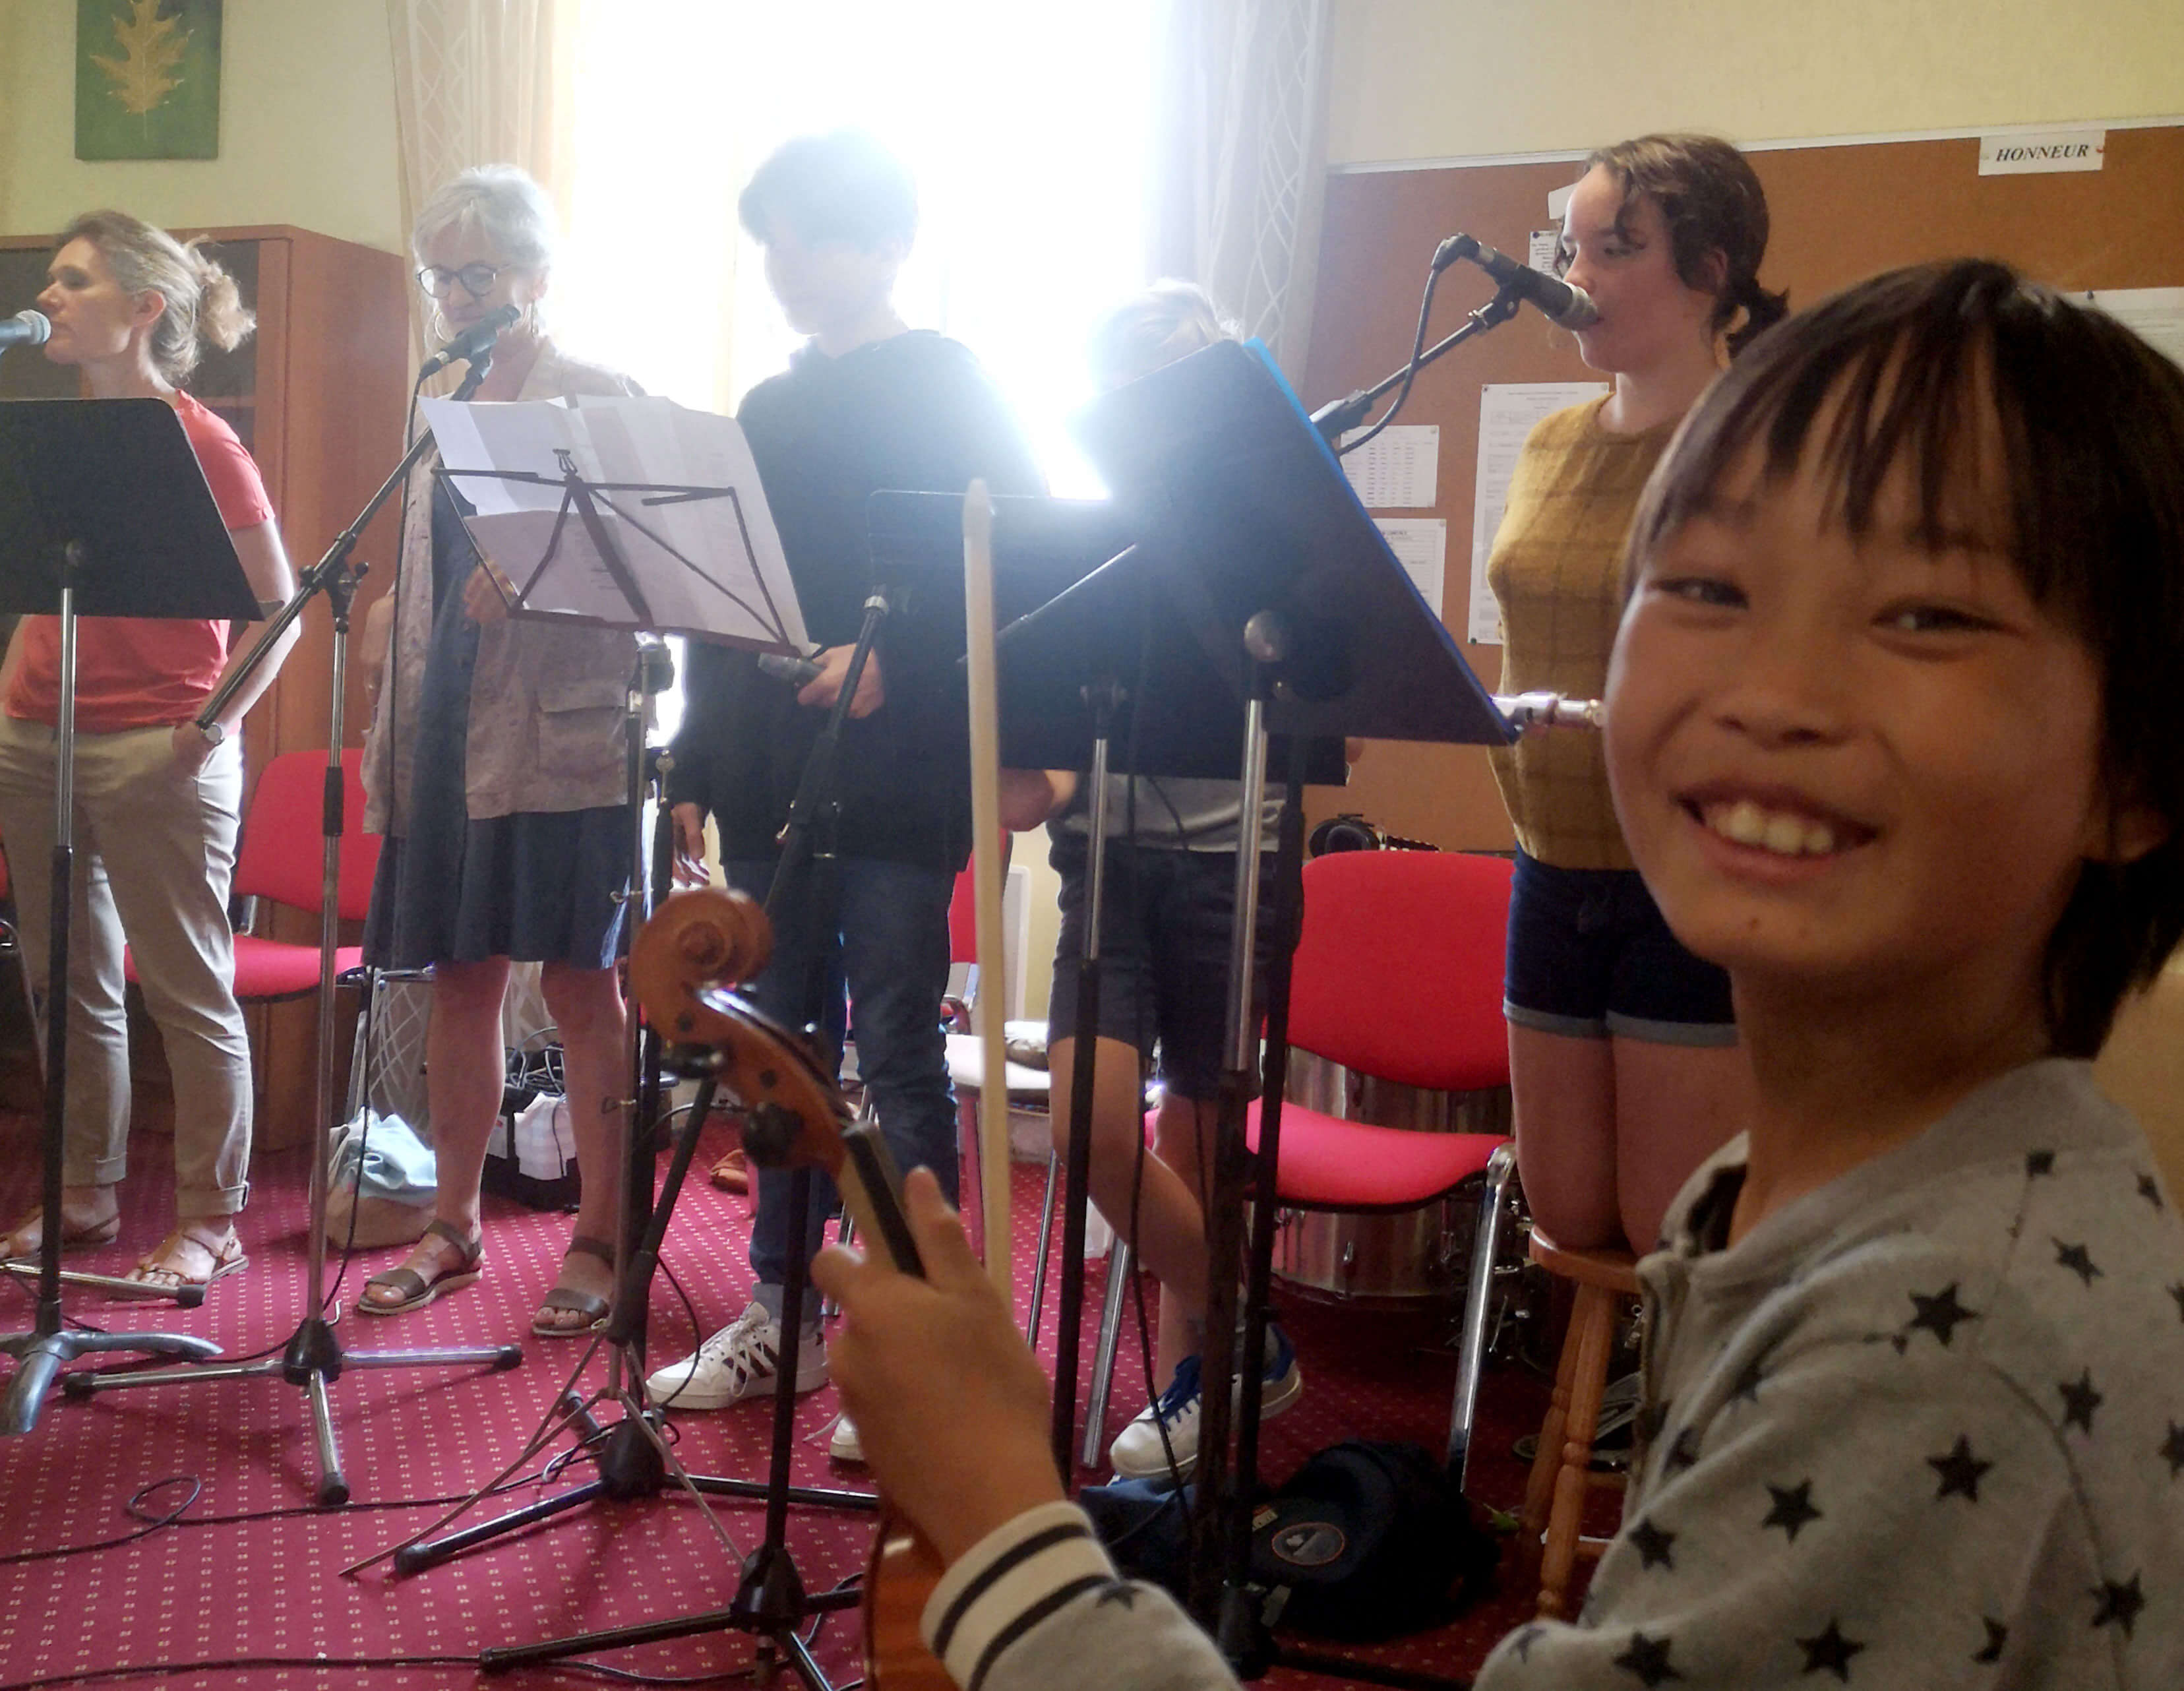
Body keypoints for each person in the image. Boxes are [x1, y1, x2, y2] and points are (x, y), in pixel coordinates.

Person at [810, 261, 2184, 1689]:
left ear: (2140, 767)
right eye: (1709, 585)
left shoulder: (1943, 1349)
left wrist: (999, 1522)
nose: (1774, 690)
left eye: (1924, 617)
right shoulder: (1835, 1196)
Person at [642, 131, 1041, 1445]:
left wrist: (895, 671)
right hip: (769, 772)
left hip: (904, 774)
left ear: (879, 244)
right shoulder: (765, 408)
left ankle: (914, 1335)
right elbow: (724, 592)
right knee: (776, 1050)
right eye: (768, 245)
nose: (781, 268)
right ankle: (784, 1312)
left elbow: (1019, 578)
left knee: (896, 1048)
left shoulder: (955, 383)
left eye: (801, 240)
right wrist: (696, 762)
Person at [1012, 280, 1298, 1483]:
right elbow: (1052, 734)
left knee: (1204, 1132)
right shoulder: (1091, 531)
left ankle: (1197, 1385)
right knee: (1089, 1121)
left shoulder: (1279, 521)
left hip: (1239, 857)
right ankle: (1248, 1337)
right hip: (1110, 863)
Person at [1488, 134, 1787, 1256]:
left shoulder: (1755, 446)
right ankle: (1607, 1414)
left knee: (1669, 1230)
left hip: (1684, 868)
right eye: (1573, 249)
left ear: (1711, 270)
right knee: (1567, 1214)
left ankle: (1670, 1431)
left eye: (1618, 250)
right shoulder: (1552, 441)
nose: (1580, 280)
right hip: (1546, 861)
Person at [355, 165, 642, 1334]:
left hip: (562, 739)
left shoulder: (596, 394)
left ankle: (605, 1235)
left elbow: (656, 581)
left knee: (582, 984)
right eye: (441, 276)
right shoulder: (439, 405)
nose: (456, 296)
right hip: (443, 733)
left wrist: (532, 581)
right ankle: (455, 1223)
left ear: (535, 275)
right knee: (456, 980)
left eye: (476, 273)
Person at [0, 212, 299, 1291]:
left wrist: (208, 726)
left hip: (159, 750)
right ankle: (83, 1192)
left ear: (143, 310)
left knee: (184, 987)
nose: (53, 299)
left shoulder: (201, 440)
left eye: (77, 283)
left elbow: (285, 609)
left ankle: (212, 1219)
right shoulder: (46, 435)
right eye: (51, 282)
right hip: (38, 735)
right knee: (63, 979)